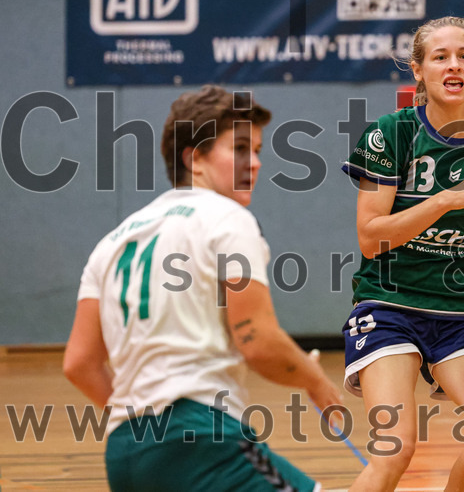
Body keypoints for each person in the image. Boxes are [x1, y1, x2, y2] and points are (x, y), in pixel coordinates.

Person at [64, 85, 343, 491]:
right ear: (194, 158)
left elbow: (79, 363)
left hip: (125, 451)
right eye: (241, 148)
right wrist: (314, 380)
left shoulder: (113, 241)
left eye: (259, 151)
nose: (256, 163)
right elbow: (258, 342)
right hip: (202, 436)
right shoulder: (226, 219)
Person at [341, 16, 464, 491]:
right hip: (389, 304)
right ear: (418, 70)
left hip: (460, 309)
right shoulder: (389, 135)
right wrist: (444, 198)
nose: (453, 64)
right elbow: (370, 237)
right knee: (394, 448)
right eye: (440, 57)